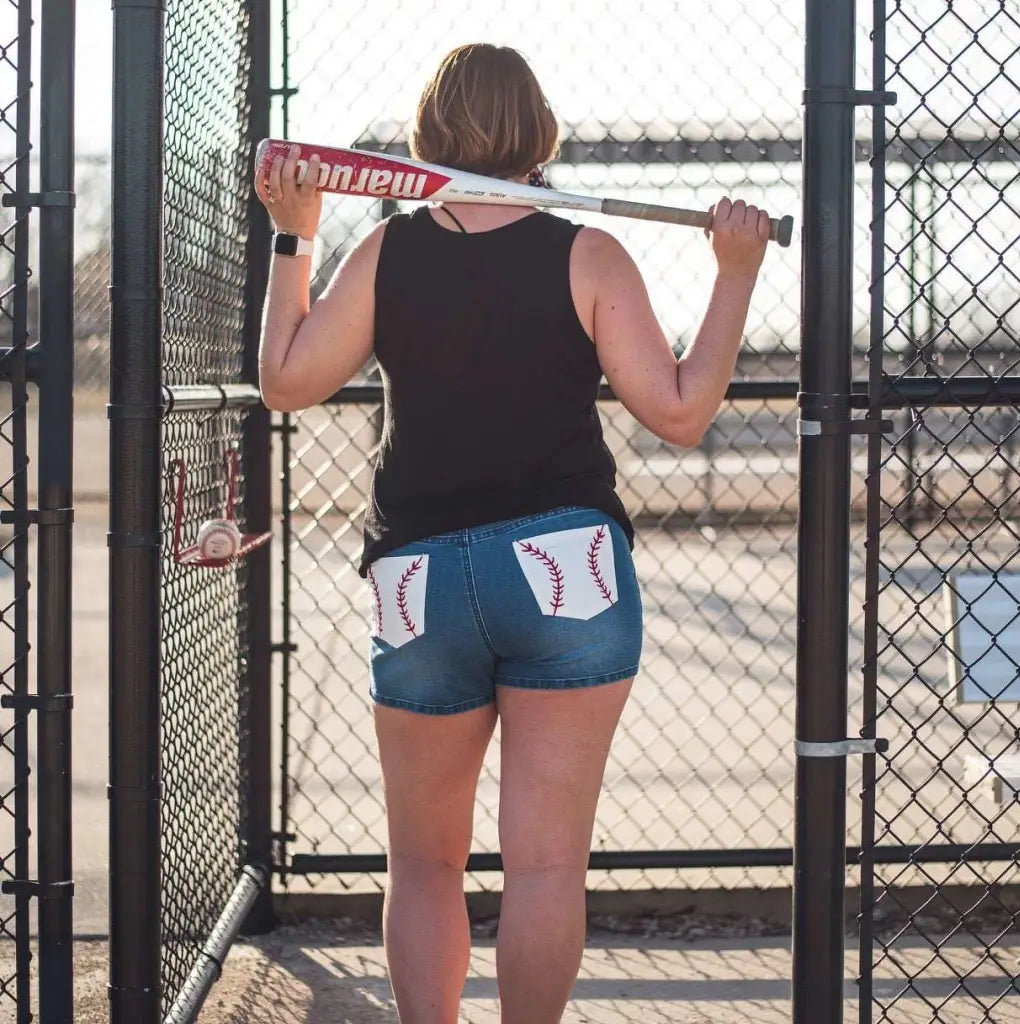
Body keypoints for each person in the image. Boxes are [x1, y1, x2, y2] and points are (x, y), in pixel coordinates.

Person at [255, 41, 769, 1024]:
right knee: (544, 868)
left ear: (428, 135)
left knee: (422, 863)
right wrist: (733, 271)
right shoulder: (588, 252)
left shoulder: (387, 250)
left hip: (420, 580)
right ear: (540, 136)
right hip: (564, 566)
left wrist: (296, 234)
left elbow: (285, 381)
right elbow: (681, 411)